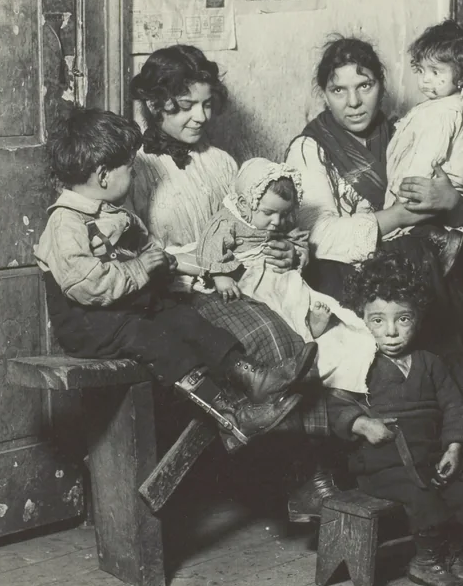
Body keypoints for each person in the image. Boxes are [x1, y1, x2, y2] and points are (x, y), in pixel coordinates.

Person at [286, 35, 463, 568]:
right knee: (438, 354)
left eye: (365, 85)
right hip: (351, 287)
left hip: (425, 276)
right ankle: (449, 532)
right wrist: (397, 220)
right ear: (324, 94)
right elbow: (317, 238)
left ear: (383, 86)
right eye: (339, 90)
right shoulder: (310, 149)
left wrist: (453, 202)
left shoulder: (415, 128)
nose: (354, 100)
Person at [128, 46, 341, 521]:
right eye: (185, 106)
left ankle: (315, 477)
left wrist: (287, 250)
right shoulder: (137, 168)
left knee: (308, 337)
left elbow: (259, 223)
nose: (201, 116)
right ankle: (307, 477)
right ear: (154, 103)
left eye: (206, 104)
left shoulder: (223, 162)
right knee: (272, 335)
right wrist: (201, 272)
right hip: (181, 294)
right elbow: (136, 253)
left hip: (244, 281)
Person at [34, 108, 317, 450]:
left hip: (119, 312)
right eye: (130, 169)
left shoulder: (115, 215)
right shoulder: (66, 224)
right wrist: (140, 267)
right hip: (87, 323)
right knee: (155, 336)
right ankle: (231, 414)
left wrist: (204, 267)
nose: (135, 175)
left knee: (182, 316)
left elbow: (158, 259)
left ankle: (251, 376)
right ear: (103, 175)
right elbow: (87, 286)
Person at [330, 250, 463, 586]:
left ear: (419, 317)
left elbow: (454, 406)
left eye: (403, 319)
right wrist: (361, 424)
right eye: (378, 321)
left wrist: (454, 445)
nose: (391, 332)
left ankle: (453, 556)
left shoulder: (430, 362)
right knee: (422, 494)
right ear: (362, 319)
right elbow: (334, 405)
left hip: (428, 455)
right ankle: (425, 561)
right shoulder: (360, 363)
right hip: (382, 463)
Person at [196, 158, 380, 397]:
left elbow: (294, 235)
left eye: (283, 214)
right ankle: (304, 335)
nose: (276, 221)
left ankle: (309, 325)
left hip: (279, 274)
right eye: (269, 213)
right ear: (244, 203)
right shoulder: (228, 221)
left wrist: (298, 251)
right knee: (276, 307)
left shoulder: (277, 219)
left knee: (298, 295)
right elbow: (209, 246)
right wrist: (220, 274)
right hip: (250, 278)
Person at [385, 20, 463, 284]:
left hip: (429, 186)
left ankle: (442, 242)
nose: (425, 80)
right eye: (421, 70)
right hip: (449, 190)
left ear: (462, 75)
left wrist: (403, 190)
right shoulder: (453, 105)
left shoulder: (442, 113)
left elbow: (427, 154)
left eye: (435, 71)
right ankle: (456, 246)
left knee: (405, 236)